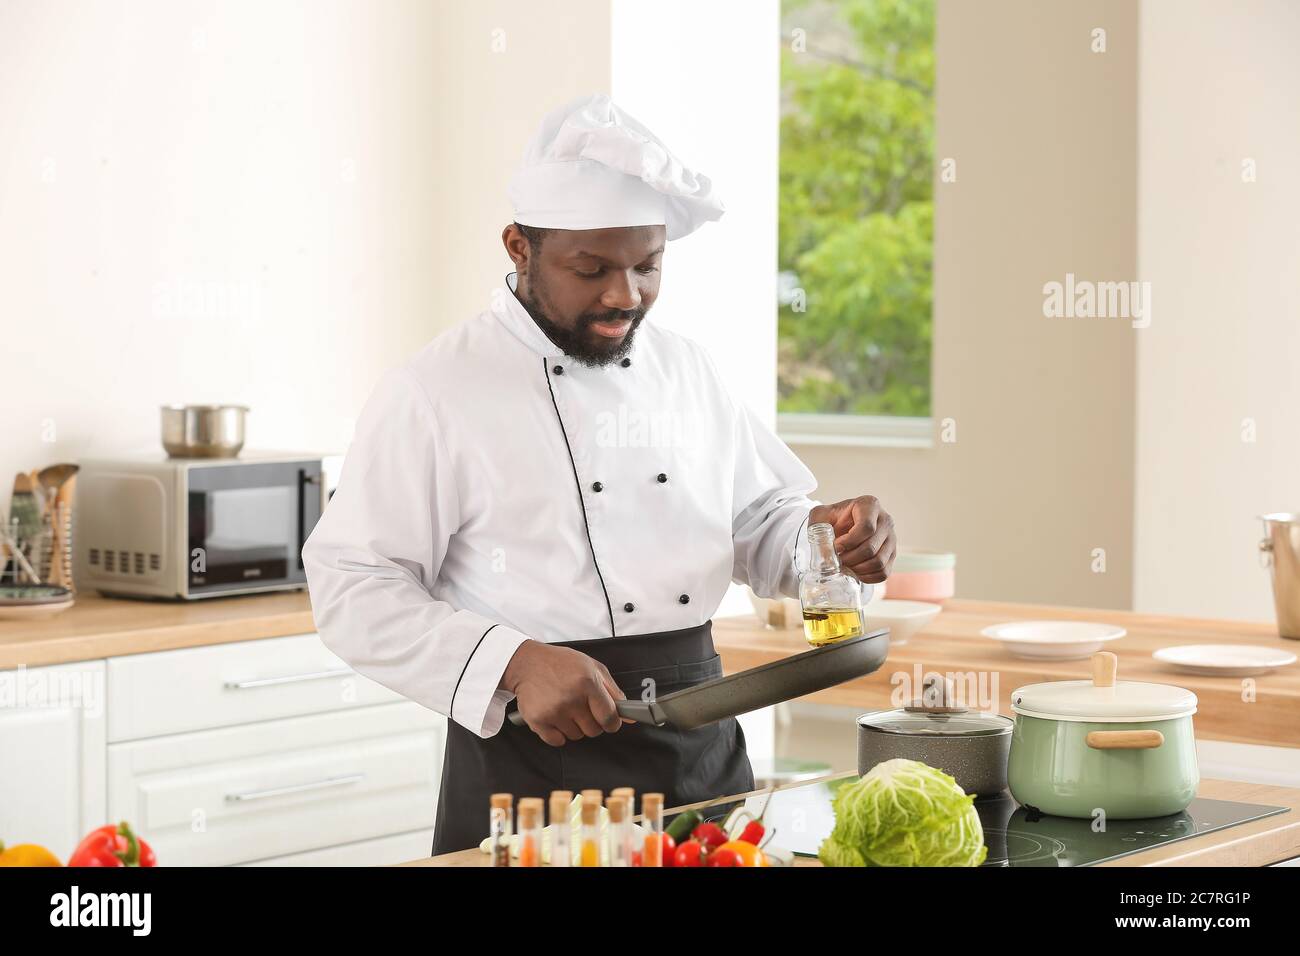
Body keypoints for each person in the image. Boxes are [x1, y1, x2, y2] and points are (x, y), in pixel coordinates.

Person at [303, 93, 897, 854]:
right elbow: (352, 583)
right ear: (519, 246)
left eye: (647, 266)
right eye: (590, 270)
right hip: (530, 767)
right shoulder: (435, 391)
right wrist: (514, 663)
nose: (624, 295)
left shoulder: (687, 371)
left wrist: (829, 536)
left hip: (701, 748)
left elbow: (762, 526)